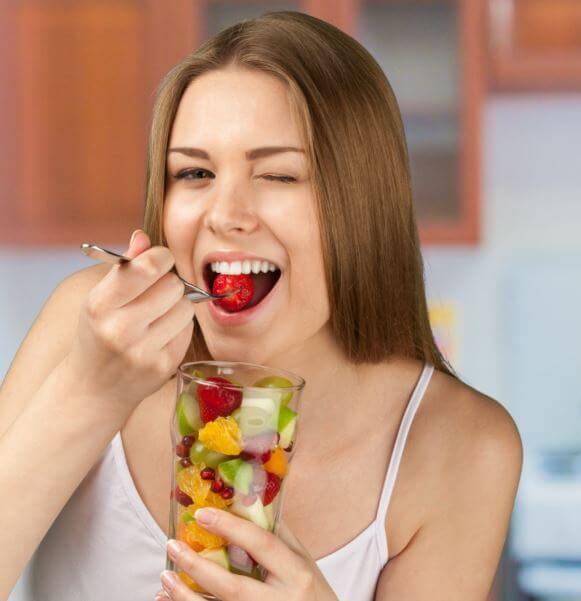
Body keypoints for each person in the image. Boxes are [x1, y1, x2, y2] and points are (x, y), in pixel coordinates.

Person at [0, 11, 521, 601]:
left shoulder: (460, 446)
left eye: (277, 175)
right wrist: (89, 390)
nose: (226, 213)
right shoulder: (87, 325)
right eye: (194, 171)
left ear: (363, 203)